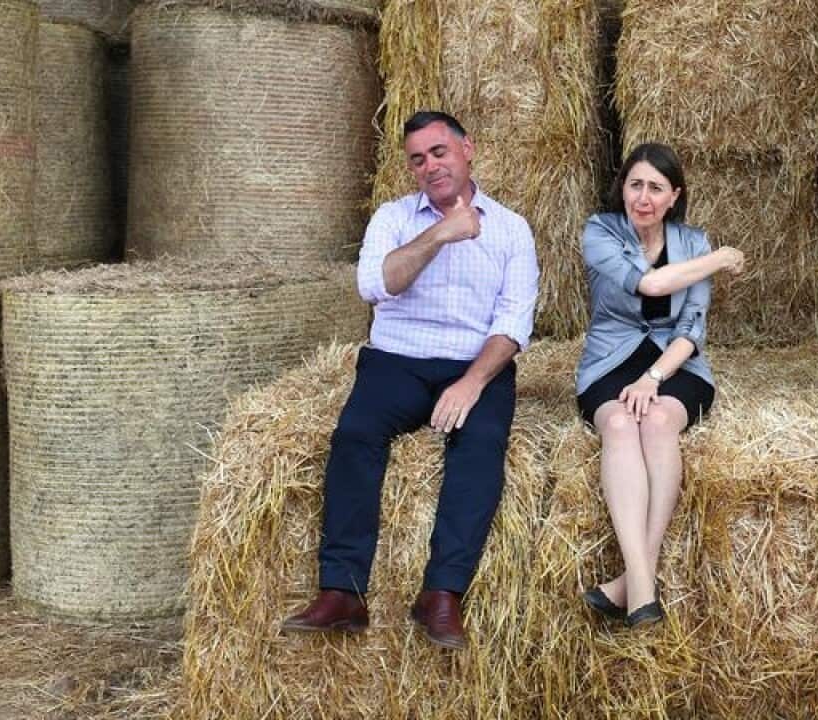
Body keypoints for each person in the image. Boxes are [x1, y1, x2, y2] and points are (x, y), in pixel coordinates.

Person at [281, 111, 539, 649]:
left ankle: (442, 594)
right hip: (398, 359)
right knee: (355, 435)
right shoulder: (394, 218)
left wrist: (471, 383)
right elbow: (374, 285)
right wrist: (442, 232)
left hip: (475, 363)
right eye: (417, 159)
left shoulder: (512, 229)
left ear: (468, 148)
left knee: (481, 446)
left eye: (439, 152)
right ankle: (343, 592)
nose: (430, 166)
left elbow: (514, 322)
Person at [575, 143, 745, 627]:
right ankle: (644, 583)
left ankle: (633, 583)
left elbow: (692, 327)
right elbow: (650, 284)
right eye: (635, 185)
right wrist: (720, 259)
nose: (643, 197)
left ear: (674, 196)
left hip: (677, 364)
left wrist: (655, 377)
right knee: (622, 426)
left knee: (659, 420)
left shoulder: (693, 241)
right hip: (610, 359)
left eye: (655, 187)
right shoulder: (600, 232)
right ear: (622, 188)